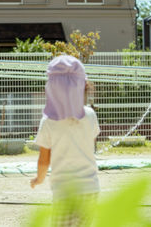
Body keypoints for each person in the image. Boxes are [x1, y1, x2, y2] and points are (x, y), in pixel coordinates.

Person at [30, 55, 100, 226]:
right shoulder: (90, 115)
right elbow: (91, 143)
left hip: (64, 193)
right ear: (83, 86)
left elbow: (44, 159)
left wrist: (39, 179)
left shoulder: (48, 121)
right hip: (90, 189)